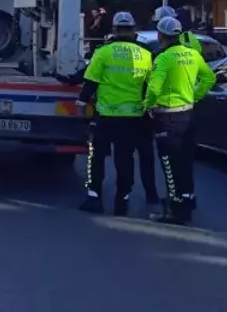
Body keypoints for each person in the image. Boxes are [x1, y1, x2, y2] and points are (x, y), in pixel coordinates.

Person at [77, 12, 153, 216]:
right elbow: (150, 86)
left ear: (114, 30)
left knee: (96, 156)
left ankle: (94, 197)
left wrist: (82, 101)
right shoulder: (145, 54)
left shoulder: (103, 52)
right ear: (134, 31)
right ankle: (122, 200)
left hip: (105, 116)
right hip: (132, 117)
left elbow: (91, 81)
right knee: (125, 160)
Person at [145, 17, 216, 225]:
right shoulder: (193, 54)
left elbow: (154, 88)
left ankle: (174, 211)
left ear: (161, 35)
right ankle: (186, 203)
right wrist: (195, 95)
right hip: (188, 115)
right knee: (185, 163)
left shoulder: (164, 58)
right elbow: (209, 78)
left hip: (167, 117)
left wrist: (148, 105)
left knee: (169, 165)